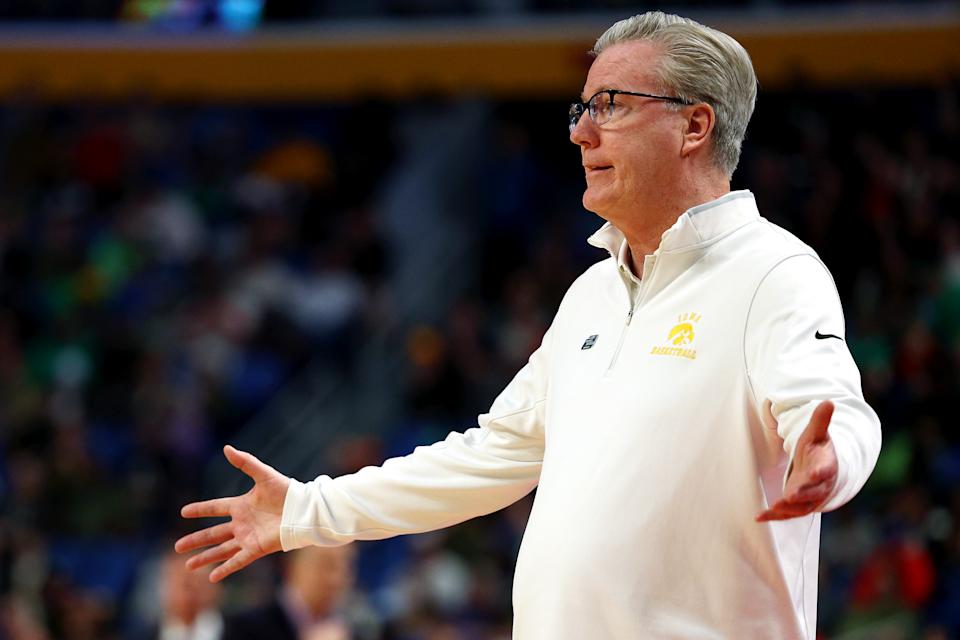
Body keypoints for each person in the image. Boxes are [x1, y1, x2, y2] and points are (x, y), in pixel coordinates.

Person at [176, 11, 881, 639]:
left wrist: (832, 458)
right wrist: (309, 508)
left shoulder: (772, 271)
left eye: (610, 106)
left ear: (695, 126)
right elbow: (491, 454)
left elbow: (831, 411)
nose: (580, 130)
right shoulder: (590, 294)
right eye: (581, 108)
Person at [222, 544, 377, 640]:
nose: (337, 578)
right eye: (326, 565)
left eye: (347, 566)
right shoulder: (245, 628)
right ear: (291, 565)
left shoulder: (358, 631)